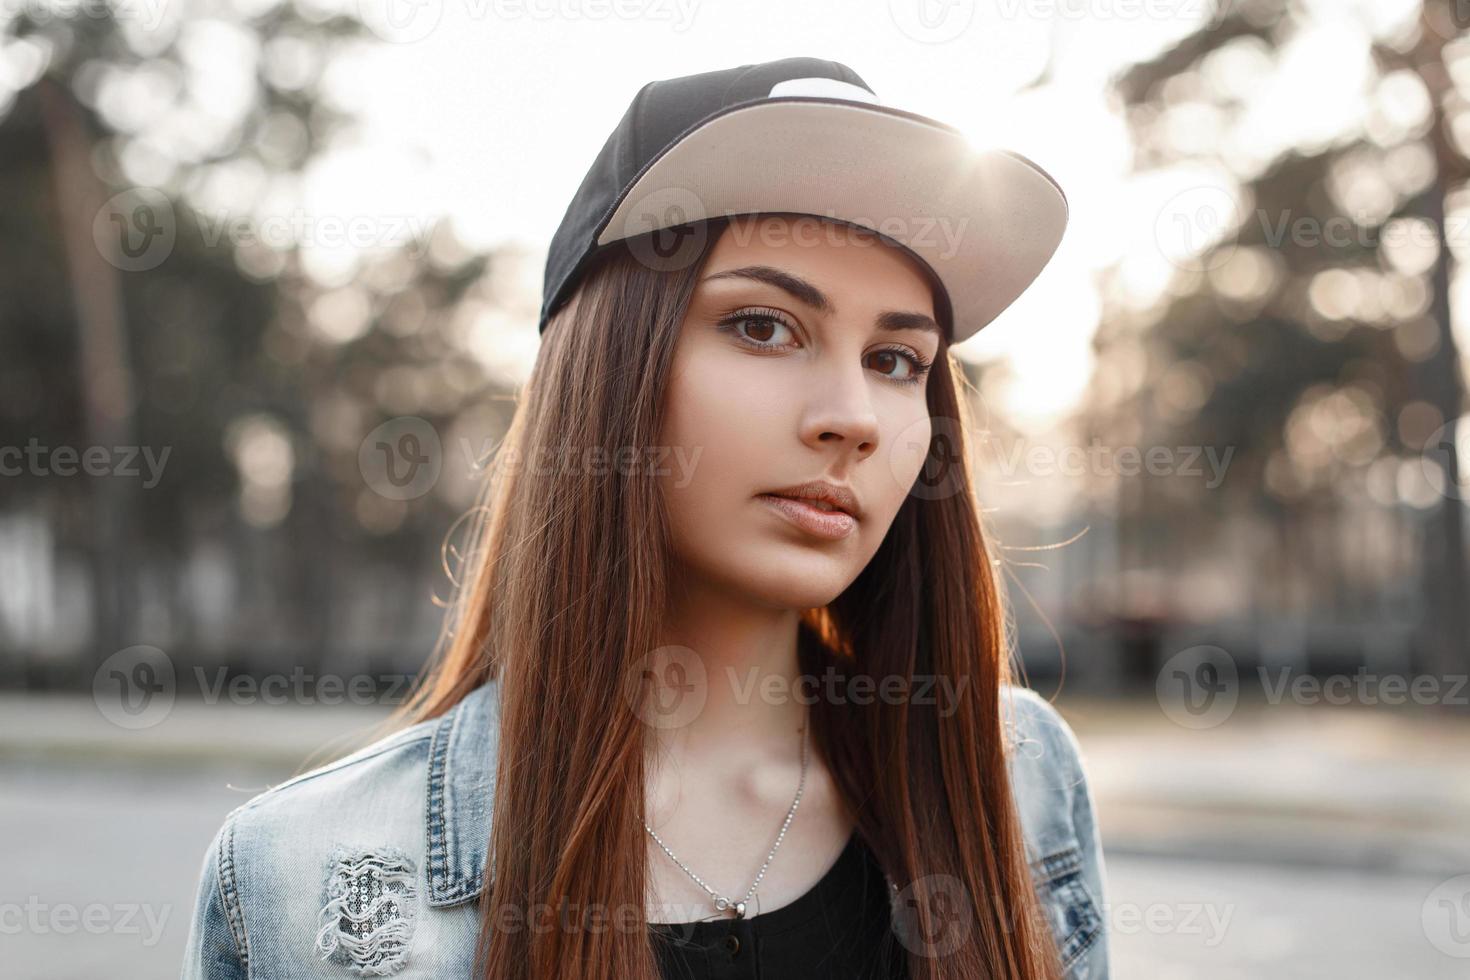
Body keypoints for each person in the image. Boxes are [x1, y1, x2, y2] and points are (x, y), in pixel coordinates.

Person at [181, 56, 1108, 980]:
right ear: (608, 368)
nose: (855, 417)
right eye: (763, 325)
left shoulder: (1015, 782)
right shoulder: (310, 880)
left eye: (898, 359)